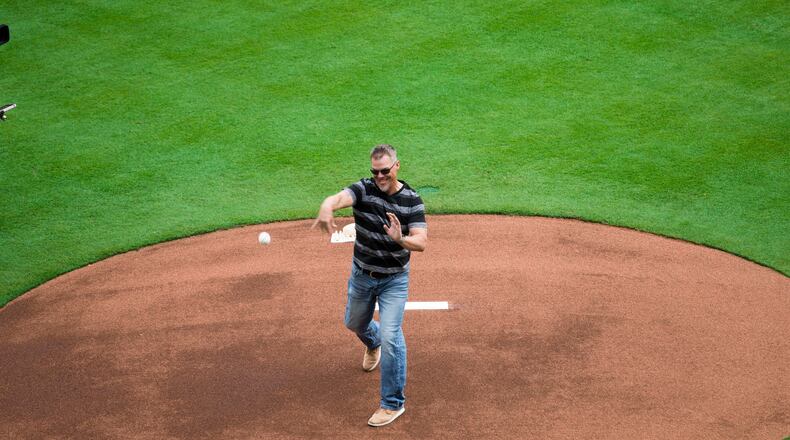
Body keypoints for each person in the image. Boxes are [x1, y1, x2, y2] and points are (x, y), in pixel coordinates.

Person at [313, 144, 428, 427]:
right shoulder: (364, 190)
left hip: (394, 280)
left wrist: (399, 238)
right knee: (354, 323)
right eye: (375, 171)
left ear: (397, 166)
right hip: (363, 275)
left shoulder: (412, 201)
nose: (380, 176)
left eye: (385, 171)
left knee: (393, 337)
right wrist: (327, 206)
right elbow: (340, 197)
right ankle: (371, 342)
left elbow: (421, 242)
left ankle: (392, 403)